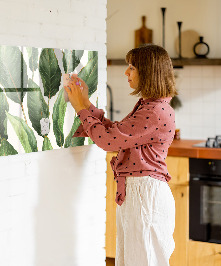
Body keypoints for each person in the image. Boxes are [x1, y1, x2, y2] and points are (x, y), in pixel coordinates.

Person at [65, 44, 177, 266]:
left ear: (148, 72)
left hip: (145, 195)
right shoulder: (150, 106)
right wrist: (86, 103)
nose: (126, 72)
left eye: (132, 67)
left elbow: (108, 141)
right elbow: (116, 133)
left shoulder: (154, 111)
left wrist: (80, 108)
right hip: (140, 193)